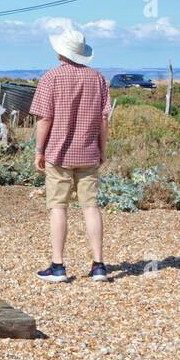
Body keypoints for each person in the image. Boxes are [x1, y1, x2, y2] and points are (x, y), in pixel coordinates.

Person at [29, 27, 112, 283]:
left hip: (58, 153)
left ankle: (58, 265)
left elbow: (44, 119)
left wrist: (39, 150)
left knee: (58, 208)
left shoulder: (50, 78)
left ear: (60, 51)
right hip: (88, 151)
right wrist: (102, 149)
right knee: (91, 207)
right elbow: (103, 119)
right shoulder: (97, 78)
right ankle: (98, 265)